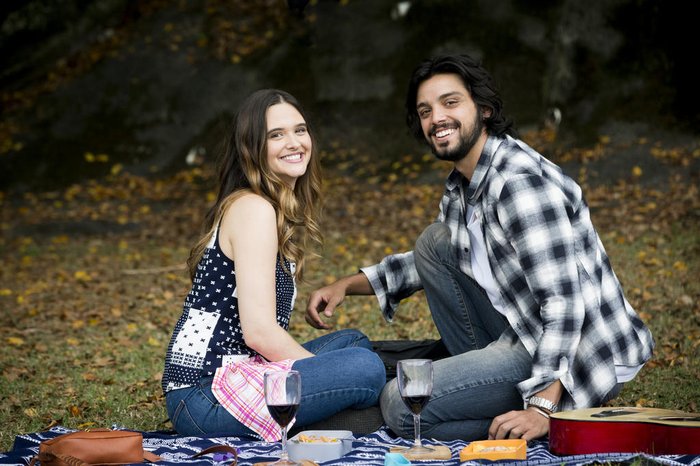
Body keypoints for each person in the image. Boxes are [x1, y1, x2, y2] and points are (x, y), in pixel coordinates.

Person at [306, 54, 654, 442]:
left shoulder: (518, 184)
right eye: (425, 110)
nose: (436, 118)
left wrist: (543, 409)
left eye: (450, 103)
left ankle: (552, 418)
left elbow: (564, 303)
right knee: (434, 244)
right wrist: (346, 286)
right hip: (518, 327)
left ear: (484, 109)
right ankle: (476, 386)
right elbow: (436, 261)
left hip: (576, 357)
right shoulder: (463, 184)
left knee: (403, 402)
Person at [162, 89, 385, 440]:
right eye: (276, 135)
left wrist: (327, 372)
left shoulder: (268, 207)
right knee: (365, 367)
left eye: (300, 130)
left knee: (352, 343)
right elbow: (260, 333)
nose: (294, 142)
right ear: (252, 150)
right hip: (205, 396)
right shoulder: (254, 209)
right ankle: (349, 417)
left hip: (242, 372)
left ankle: (330, 418)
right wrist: (324, 374)